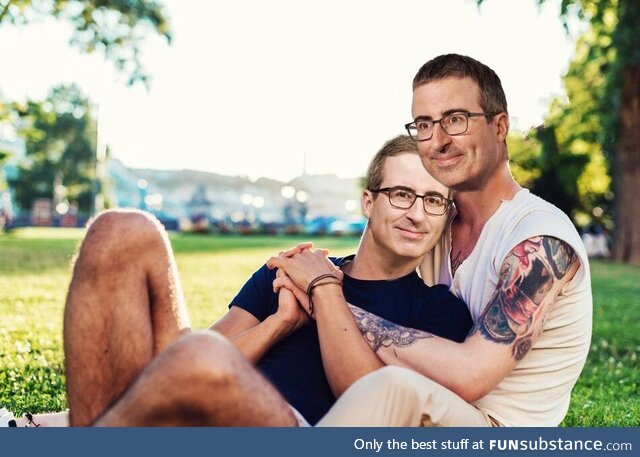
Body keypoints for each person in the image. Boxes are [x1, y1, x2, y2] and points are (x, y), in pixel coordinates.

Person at [49, 134, 471, 427]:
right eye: (401, 194)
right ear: (368, 201)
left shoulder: (439, 310)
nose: (417, 213)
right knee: (120, 229)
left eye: (434, 200)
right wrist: (278, 325)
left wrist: (325, 289)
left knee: (204, 357)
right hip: (201, 413)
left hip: (297, 428)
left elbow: (372, 401)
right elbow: (178, 369)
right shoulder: (291, 270)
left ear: (447, 214)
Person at [270, 54, 592, 427]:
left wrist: (323, 294)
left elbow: (470, 376)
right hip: (433, 404)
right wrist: (312, 277)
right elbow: (372, 260)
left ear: (499, 125)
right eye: (424, 124)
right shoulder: (438, 221)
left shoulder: (539, 239)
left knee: (391, 388)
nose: (438, 141)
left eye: (456, 120)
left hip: (495, 429)